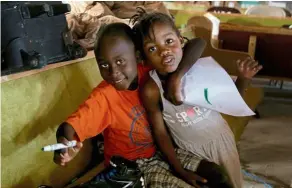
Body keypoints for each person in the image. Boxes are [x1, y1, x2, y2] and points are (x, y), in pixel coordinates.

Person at [53, 22, 217, 188]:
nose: (113, 72)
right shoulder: (104, 97)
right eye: (104, 65)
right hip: (132, 167)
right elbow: (70, 127)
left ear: (137, 56)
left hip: (164, 149)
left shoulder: (147, 69)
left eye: (120, 61)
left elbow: (197, 43)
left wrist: (176, 78)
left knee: (216, 174)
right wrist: (64, 144)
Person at [132, 10, 263, 188]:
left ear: (180, 39)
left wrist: (244, 78)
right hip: (191, 153)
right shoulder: (152, 89)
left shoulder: (198, 69)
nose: (164, 51)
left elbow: (232, 100)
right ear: (144, 57)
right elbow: (160, 133)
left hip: (223, 142)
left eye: (169, 41)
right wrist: (180, 170)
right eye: (152, 49)